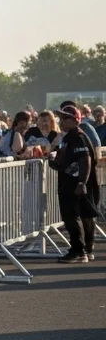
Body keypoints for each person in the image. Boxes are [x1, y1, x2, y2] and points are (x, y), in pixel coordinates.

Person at [50, 106, 97, 263]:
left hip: (75, 184)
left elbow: (85, 160)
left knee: (74, 217)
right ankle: (82, 249)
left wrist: (82, 182)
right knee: (76, 216)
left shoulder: (77, 136)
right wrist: (55, 163)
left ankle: (79, 250)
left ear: (74, 120)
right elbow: (67, 162)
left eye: (64, 118)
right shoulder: (68, 137)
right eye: (60, 118)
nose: (61, 122)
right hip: (69, 183)